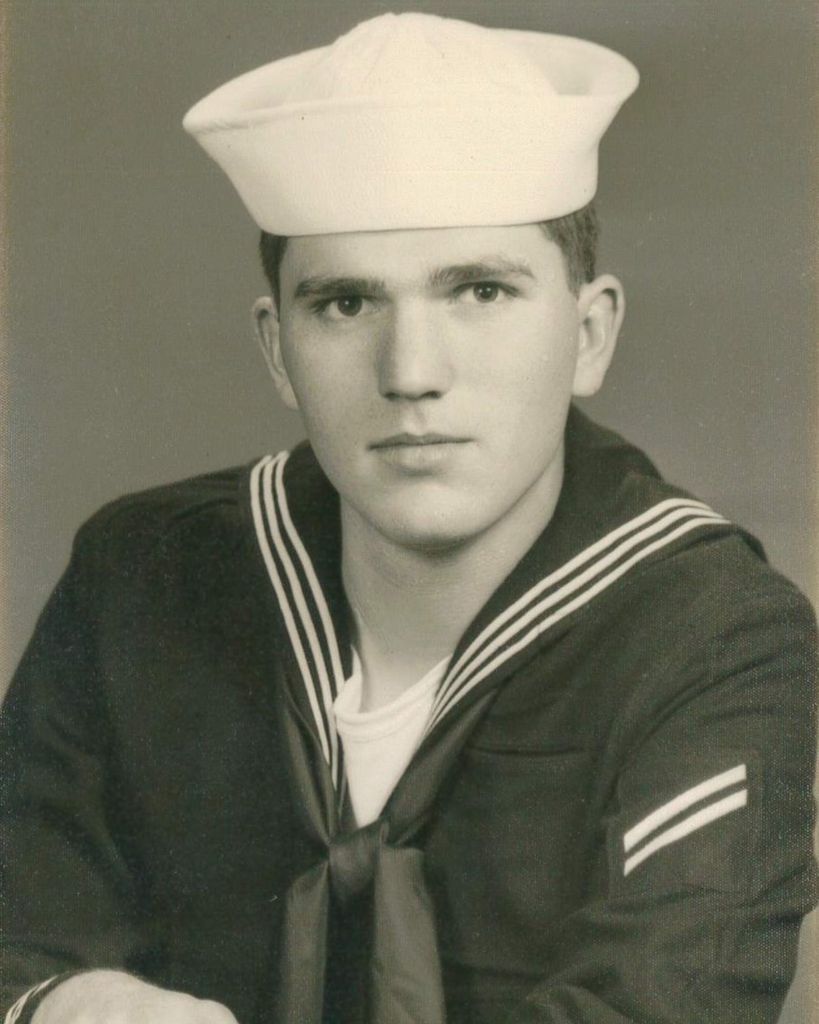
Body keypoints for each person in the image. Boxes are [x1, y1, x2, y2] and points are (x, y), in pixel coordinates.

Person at [1, 12, 816, 1024]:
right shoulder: (142, 578)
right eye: (346, 304)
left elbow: (661, 1009)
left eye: (480, 291)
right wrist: (70, 1003)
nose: (411, 372)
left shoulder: (711, 638)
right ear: (277, 350)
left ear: (589, 334)